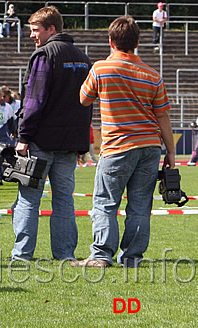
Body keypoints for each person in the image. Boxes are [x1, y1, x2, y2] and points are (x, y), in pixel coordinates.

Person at [72, 16, 175, 268]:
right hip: (150, 146)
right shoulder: (153, 75)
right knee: (140, 206)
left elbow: (84, 98)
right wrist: (170, 152)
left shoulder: (101, 68)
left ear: (110, 41)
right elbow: (162, 115)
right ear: (137, 42)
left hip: (117, 146)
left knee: (105, 203)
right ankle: (132, 258)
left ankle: (101, 255)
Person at [11, 5, 92, 262]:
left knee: (28, 200)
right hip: (69, 143)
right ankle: (65, 254)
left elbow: (34, 101)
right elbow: (87, 104)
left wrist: (23, 137)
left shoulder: (44, 55)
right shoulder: (83, 58)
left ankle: (22, 254)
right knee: (64, 201)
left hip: (41, 142)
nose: (32, 36)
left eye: (36, 30)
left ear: (51, 29)